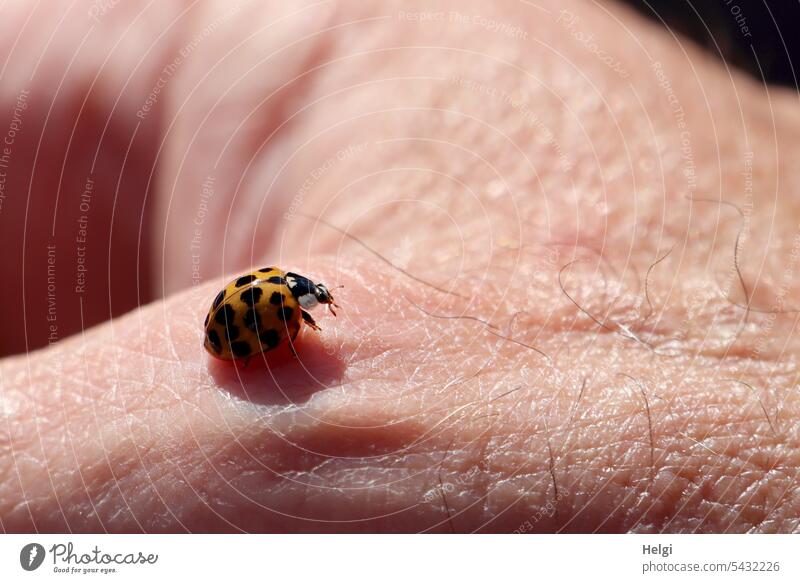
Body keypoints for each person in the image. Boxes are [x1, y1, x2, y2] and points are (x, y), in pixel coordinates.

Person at [1, 0, 798, 533]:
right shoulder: (278, 306)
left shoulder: (275, 298)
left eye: (305, 302)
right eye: (308, 301)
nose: (312, 309)